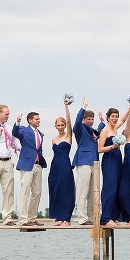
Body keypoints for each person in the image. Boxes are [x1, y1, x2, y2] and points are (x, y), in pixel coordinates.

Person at [72, 97, 105, 225]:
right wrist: (83, 108)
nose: (90, 121)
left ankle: (91, 217)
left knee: (93, 193)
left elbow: (98, 132)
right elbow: (76, 125)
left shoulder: (93, 131)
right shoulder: (81, 129)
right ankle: (82, 218)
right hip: (84, 162)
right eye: (88, 119)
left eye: (92, 119)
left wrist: (102, 121)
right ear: (84, 120)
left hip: (95, 164)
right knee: (82, 192)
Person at [97, 105, 130, 226]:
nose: (115, 118)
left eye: (116, 116)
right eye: (113, 116)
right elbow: (100, 149)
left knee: (117, 188)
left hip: (117, 158)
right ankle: (105, 218)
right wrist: (113, 146)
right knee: (110, 188)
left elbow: (122, 120)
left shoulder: (115, 128)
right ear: (108, 117)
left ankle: (114, 216)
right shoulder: (105, 131)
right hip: (109, 159)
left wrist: (129, 110)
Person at [13, 112, 48, 227]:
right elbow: (15, 133)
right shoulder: (24, 130)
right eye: (37, 119)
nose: (39, 120)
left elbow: (38, 149)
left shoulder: (39, 133)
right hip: (27, 164)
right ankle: (23, 219)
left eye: (39, 118)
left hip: (38, 165)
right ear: (30, 120)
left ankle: (32, 218)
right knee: (25, 192)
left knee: (37, 192)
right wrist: (17, 122)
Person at [47, 97, 74, 226]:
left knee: (65, 190)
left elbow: (69, 121)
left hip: (65, 164)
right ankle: (59, 218)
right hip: (55, 165)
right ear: (55, 126)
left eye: (62, 125)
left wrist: (66, 106)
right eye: (58, 125)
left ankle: (66, 218)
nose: (60, 127)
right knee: (55, 189)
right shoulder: (53, 139)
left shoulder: (68, 136)